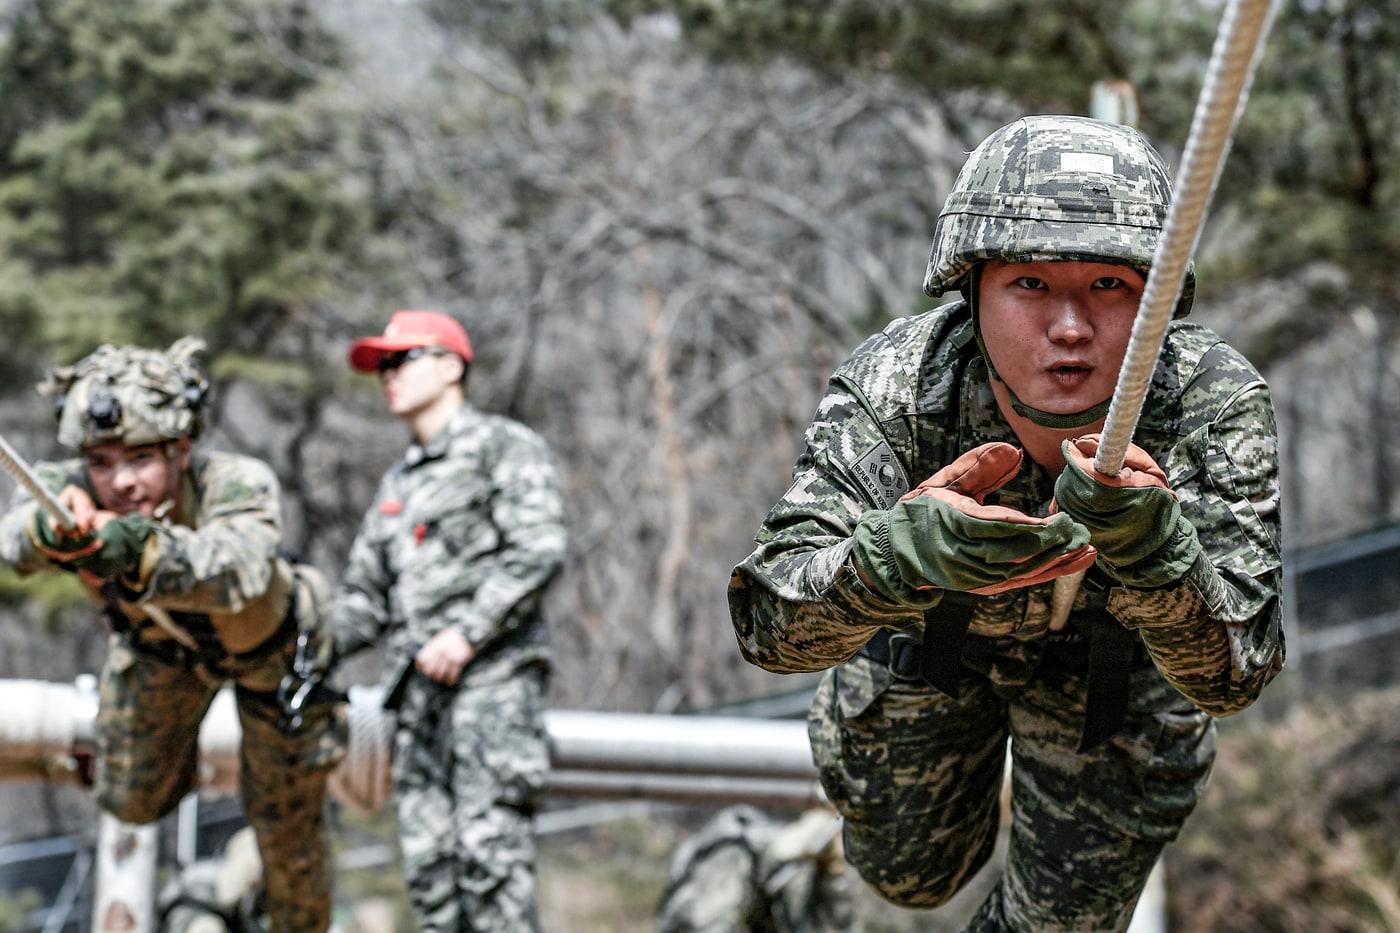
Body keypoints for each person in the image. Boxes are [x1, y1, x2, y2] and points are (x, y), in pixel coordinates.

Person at [728, 115, 1283, 931]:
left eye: (1109, 284)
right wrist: (894, 558)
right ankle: (781, 871)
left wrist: (1160, 554)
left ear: (1158, 301)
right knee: (909, 873)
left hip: (1116, 676)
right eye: (1031, 284)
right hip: (932, 646)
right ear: (972, 289)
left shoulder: (1212, 402)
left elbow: (1237, 672)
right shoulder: (898, 384)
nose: (1071, 326)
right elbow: (768, 625)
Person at [0, 338, 343, 933]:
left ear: (181, 451)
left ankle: (257, 876)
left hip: (276, 665)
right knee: (130, 799)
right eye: (101, 463)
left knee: (288, 841)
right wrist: (52, 531)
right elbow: (16, 537)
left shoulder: (236, 483)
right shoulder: (71, 488)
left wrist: (137, 548)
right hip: (163, 654)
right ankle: (212, 878)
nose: (121, 482)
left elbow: (237, 567)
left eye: (140, 459)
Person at [331, 310, 567, 932]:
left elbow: (538, 548)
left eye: (400, 360)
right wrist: (296, 642)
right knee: (432, 882)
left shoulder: (501, 448)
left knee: (493, 873)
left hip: (492, 695)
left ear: (450, 365)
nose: (387, 376)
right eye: (382, 366)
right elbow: (365, 599)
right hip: (418, 709)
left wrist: (466, 633)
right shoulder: (398, 484)